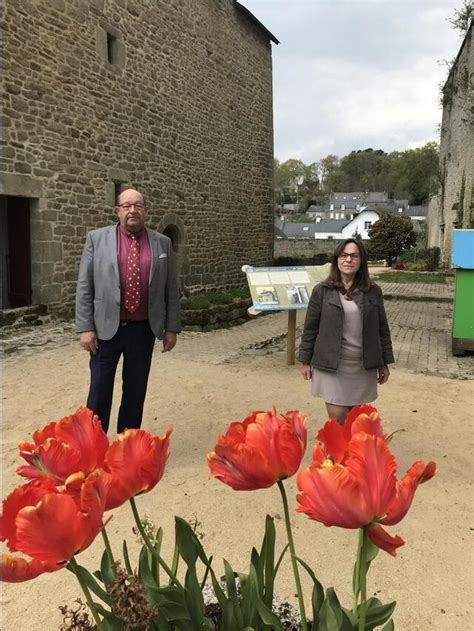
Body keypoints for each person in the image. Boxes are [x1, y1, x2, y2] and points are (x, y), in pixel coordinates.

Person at [75, 188, 181, 433]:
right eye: (127, 206)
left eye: (137, 206)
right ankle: (95, 445)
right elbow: (85, 285)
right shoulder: (96, 239)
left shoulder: (162, 243)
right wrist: (85, 327)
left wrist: (172, 327)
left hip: (143, 330)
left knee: (135, 390)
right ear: (118, 211)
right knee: (100, 389)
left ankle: (127, 445)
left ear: (145, 210)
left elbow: (171, 289)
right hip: (104, 331)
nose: (132, 210)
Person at [298, 238, 394, 425]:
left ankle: (353, 454)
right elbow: (310, 328)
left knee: (357, 421)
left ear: (361, 261)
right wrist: (305, 360)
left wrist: (384, 363)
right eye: (344, 255)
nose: (348, 260)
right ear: (337, 260)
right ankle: (335, 454)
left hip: (362, 366)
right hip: (331, 365)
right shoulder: (322, 291)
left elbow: (382, 328)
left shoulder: (373, 291)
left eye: (354, 256)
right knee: (338, 418)